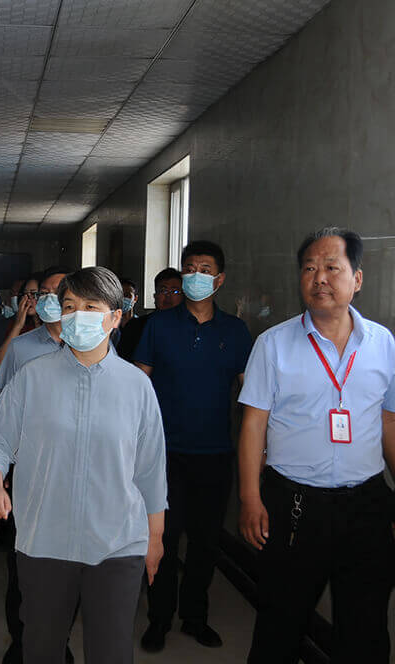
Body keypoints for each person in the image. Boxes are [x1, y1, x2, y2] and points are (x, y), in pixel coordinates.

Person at [238, 227, 395, 663]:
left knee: (366, 627)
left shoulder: (381, 342)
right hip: (294, 504)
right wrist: (250, 497)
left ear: (357, 278)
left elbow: (392, 418)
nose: (319, 278)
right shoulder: (273, 344)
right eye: (309, 268)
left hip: (366, 504)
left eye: (332, 267)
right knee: (280, 623)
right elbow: (254, 424)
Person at [0, 267, 168, 664]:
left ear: (115, 317)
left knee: (111, 651)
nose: (77, 315)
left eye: (91, 307)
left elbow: (150, 470)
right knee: (42, 648)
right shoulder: (33, 377)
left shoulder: (136, 386)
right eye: (69, 306)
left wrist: (155, 538)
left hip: (117, 544)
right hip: (44, 540)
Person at [134, 241, 253, 652]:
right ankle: (159, 618)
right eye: (189, 268)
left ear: (219, 280)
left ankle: (195, 616)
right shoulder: (159, 326)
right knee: (163, 539)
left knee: (206, 542)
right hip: (163, 455)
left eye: (204, 269)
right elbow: (138, 384)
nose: (195, 276)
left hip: (215, 454)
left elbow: (251, 396)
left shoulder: (235, 332)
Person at [0, 265, 71, 664]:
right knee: (24, 565)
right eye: (45, 293)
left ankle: (58, 642)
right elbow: (4, 414)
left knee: (68, 566)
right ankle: (21, 642)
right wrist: (1, 474)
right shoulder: (22, 348)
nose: (53, 299)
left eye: (61, 292)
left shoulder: (97, 345)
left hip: (74, 475)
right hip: (31, 473)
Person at [117, 268, 183, 362]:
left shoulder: (190, 326)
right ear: (155, 296)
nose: (168, 296)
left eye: (175, 291)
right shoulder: (135, 326)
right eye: (163, 291)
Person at [0, 274, 41, 370]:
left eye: (33, 294)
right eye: (25, 294)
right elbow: (0, 363)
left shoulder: (54, 327)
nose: (27, 299)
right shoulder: (20, 327)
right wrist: (18, 325)